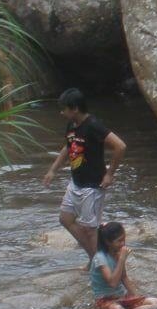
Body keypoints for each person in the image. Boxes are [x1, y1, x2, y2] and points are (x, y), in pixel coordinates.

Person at [43, 88, 126, 257]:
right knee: (65, 219)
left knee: (90, 230)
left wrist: (110, 174)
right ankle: (95, 257)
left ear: (75, 109)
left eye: (64, 109)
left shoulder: (93, 125)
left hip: (93, 186)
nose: (61, 112)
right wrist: (52, 170)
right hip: (76, 183)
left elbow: (120, 146)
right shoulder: (71, 125)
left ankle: (102, 262)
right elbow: (68, 147)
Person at [89, 222, 157, 309]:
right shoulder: (100, 258)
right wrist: (121, 259)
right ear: (108, 242)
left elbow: (124, 278)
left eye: (124, 239)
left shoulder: (117, 253)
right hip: (105, 300)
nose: (123, 243)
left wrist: (137, 296)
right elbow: (113, 283)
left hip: (121, 297)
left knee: (156, 302)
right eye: (119, 241)